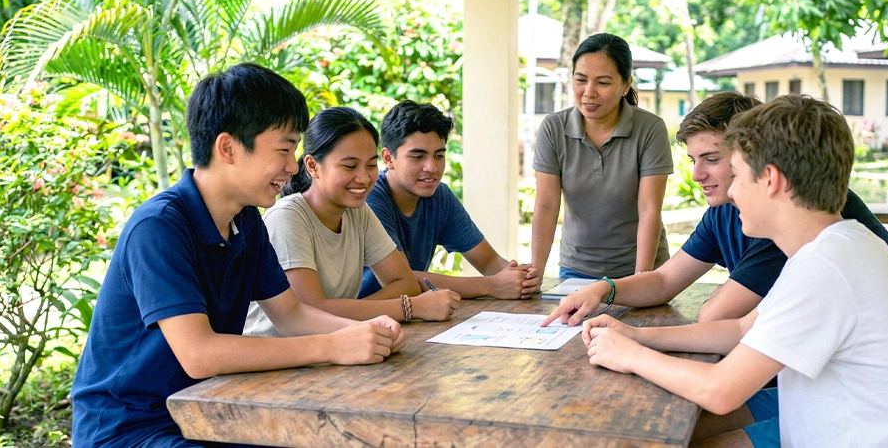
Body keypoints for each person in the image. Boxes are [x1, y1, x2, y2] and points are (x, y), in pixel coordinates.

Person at [581, 95, 888, 448]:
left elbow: (721, 390)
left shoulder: (824, 268)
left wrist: (630, 356)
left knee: (666, 432)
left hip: (865, 434)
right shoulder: (836, 244)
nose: (733, 193)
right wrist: (635, 336)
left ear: (771, 180)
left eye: (739, 176)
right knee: (673, 430)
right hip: (835, 412)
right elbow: (743, 329)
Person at [71, 64, 405, 447]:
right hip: (130, 429)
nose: (293, 167)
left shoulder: (245, 221)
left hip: (212, 410)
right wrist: (333, 346)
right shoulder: (159, 227)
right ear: (227, 147)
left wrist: (365, 333)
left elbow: (291, 314)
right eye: (283, 149)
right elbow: (200, 354)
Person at [542, 91, 888, 327]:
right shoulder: (727, 209)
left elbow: (717, 318)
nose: (696, 175)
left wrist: (637, 344)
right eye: (692, 159)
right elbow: (663, 281)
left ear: (752, 154)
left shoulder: (796, 215)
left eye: (712, 159)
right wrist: (604, 289)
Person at [244, 107, 460, 337]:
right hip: (276, 361)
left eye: (370, 165)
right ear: (312, 166)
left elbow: (404, 281)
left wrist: (353, 312)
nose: (364, 178)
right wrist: (410, 307)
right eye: (349, 166)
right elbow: (310, 311)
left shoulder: (358, 212)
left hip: (335, 346)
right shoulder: (287, 218)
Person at [528, 33, 673, 288]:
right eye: (580, 80)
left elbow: (649, 209)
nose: (589, 93)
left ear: (626, 85)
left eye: (603, 83)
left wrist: (642, 281)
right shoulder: (553, 128)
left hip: (639, 269)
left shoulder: (650, 129)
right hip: (577, 272)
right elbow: (547, 206)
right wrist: (535, 274)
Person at [359, 100, 537, 299]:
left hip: (412, 317)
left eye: (439, 156)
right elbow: (405, 280)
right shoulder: (370, 199)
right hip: (360, 317)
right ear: (388, 158)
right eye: (418, 157)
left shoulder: (439, 197)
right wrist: (491, 286)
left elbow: (489, 262)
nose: (432, 167)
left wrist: (521, 278)